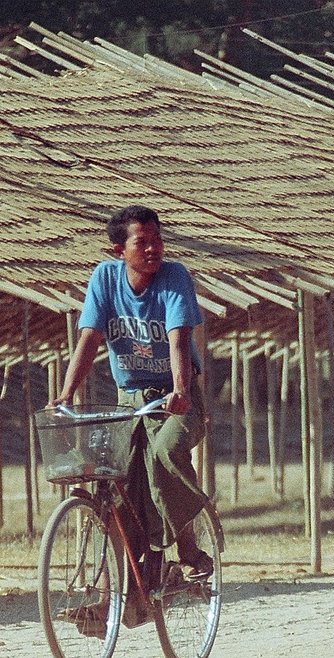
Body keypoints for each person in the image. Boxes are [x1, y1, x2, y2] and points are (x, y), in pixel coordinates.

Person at [51, 205, 214, 583]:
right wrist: (65, 394)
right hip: (130, 402)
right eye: (143, 242)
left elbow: (179, 339)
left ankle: (188, 548)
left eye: (158, 240)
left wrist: (180, 389)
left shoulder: (174, 277)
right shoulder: (105, 280)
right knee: (118, 487)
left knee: (166, 452)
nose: (154, 249)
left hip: (178, 398)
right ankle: (110, 595)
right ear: (118, 250)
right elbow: (89, 338)